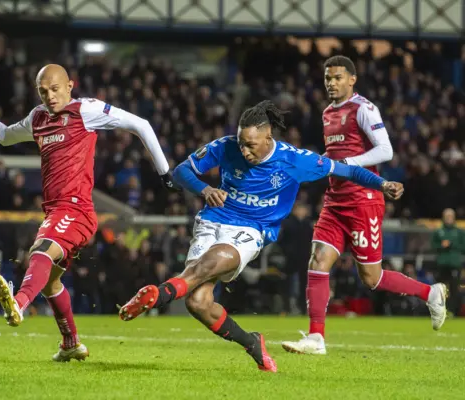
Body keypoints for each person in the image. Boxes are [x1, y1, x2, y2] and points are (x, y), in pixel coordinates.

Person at [118, 100, 404, 373]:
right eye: (241, 143)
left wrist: (382, 184)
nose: (244, 151)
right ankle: (252, 342)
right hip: (213, 219)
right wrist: (205, 190)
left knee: (216, 258)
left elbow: (347, 170)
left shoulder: (294, 160)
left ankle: (162, 293)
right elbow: (182, 171)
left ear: (268, 137)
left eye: (251, 145)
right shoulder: (226, 146)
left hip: (253, 229)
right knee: (198, 303)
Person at [0, 64, 179, 362]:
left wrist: (164, 172)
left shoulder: (87, 110)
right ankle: (70, 343)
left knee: (40, 252)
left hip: (77, 210)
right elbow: (4, 136)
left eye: (55, 89)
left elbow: (141, 124)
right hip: (55, 212)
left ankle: (18, 303)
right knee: (50, 282)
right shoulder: (38, 117)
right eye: (43, 91)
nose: (50, 96)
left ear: (70, 85)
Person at [282, 56, 447, 356]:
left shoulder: (364, 109)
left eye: (338, 77)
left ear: (352, 79)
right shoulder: (326, 113)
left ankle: (430, 292)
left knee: (372, 278)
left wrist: (348, 163)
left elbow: (385, 150)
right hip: (335, 201)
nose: (331, 83)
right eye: (328, 78)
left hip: (363, 201)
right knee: (318, 260)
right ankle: (316, 338)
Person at [431, 208, 463, 317]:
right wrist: (441, 246)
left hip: (455, 263)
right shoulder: (438, 231)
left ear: (454, 218)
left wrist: (452, 245)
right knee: (440, 289)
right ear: (443, 218)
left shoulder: (459, 232)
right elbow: (433, 246)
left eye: (451, 216)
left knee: (454, 289)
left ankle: (453, 311)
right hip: (442, 264)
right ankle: (439, 311)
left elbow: (463, 247)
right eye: (447, 216)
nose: (449, 218)